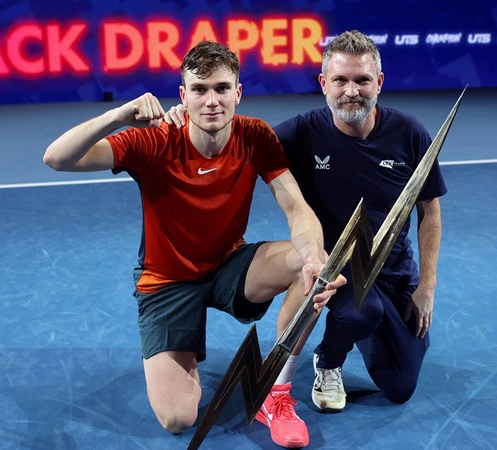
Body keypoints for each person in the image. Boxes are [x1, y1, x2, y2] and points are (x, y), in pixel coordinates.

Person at [43, 40, 344, 449]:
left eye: (222, 88)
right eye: (200, 90)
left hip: (228, 264)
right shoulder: (154, 141)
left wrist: (312, 255)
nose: (212, 100)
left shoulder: (255, 136)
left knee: (310, 268)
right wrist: (118, 114)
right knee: (177, 418)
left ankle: (276, 392)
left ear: (238, 92)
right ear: (183, 96)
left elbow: (296, 207)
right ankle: (177, 349)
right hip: (166, 281)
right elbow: (56, 158)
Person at [165, 30, 445, 421]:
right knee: (360, 313)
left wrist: (427, 286)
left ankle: (369, 328)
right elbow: (234, 143)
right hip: (335, 269)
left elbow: (429, 209)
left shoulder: (410, 133)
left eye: (362, 80)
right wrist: (188, 117)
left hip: (394, 272)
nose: (351, 91)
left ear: (379, 83)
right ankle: (328, 361)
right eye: (340, 80)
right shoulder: (298, 134)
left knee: (400, 387)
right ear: (323, 84)